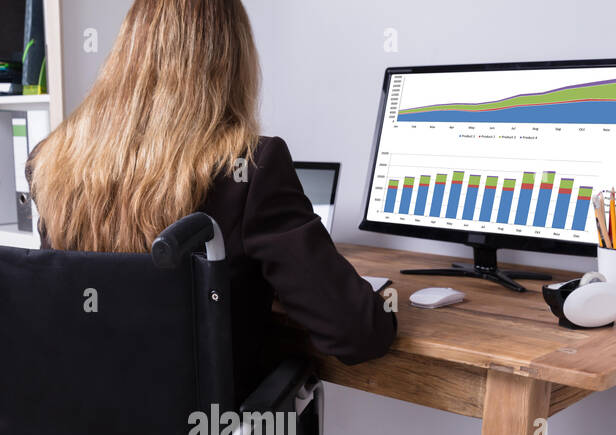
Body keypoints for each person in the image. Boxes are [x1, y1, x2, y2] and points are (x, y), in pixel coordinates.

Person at [26, 0, 396, 399]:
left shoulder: (53, 161)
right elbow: (357, 334)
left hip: (76, 428)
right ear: (234, 59)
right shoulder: (253, 166)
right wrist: (388, 299)